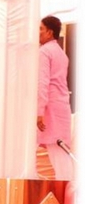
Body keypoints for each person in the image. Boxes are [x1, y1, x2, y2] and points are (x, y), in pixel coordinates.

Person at [37, 15, 73, 179]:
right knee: (61, 152)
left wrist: (39, 111)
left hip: (50, 108)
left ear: (49, 32)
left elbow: (43, 83)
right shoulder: (61, 53)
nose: (38, 32)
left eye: (41, 29)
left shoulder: (44, 52)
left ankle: (70, 188)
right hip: (62, 106)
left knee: (57, 155)